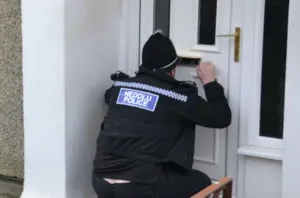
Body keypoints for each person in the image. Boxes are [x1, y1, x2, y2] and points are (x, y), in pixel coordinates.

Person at [92, 31, 232, 198]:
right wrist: (210, 82)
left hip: (100, 182)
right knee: (202, 182)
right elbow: (221, 117)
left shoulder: (118, 89)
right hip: (140, 187)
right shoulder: (177, 97)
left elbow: (111, 97)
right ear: (172, 70)